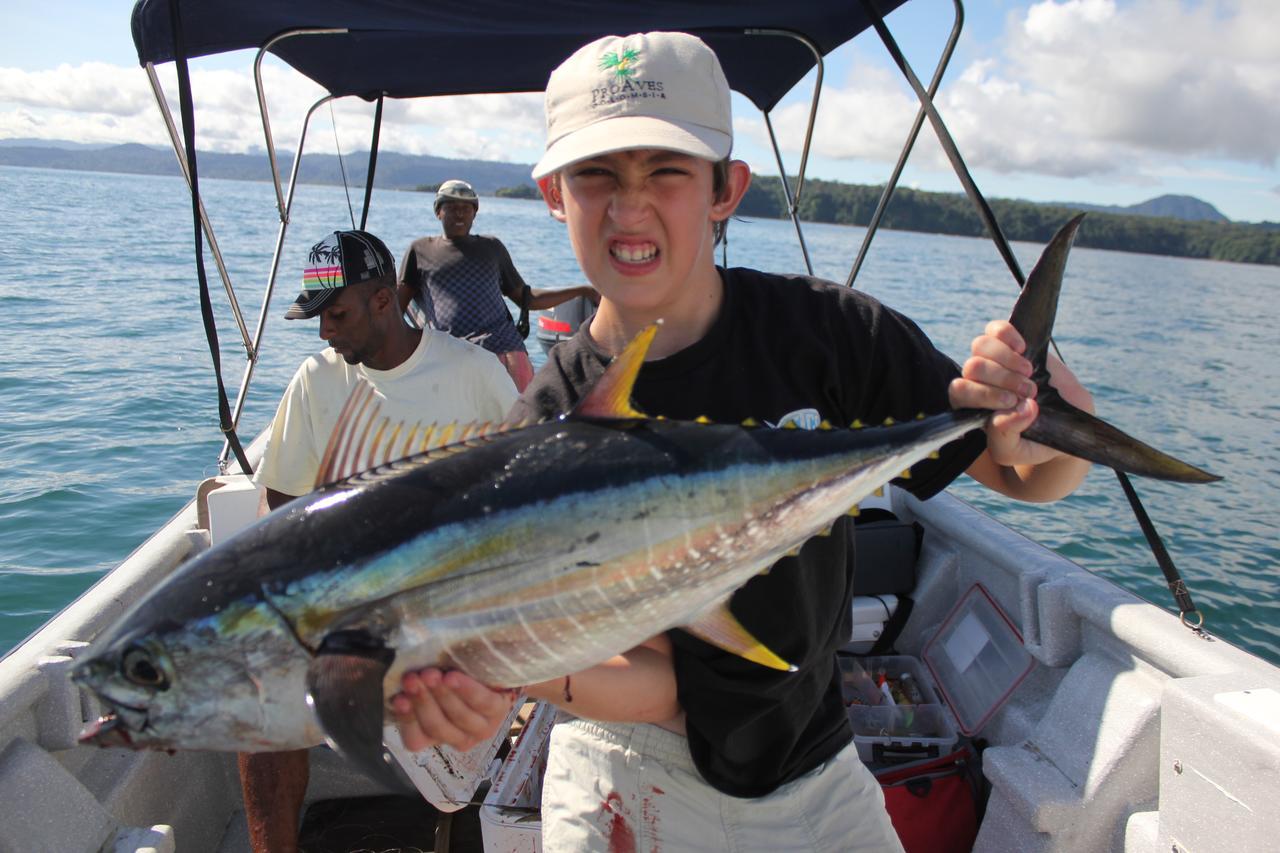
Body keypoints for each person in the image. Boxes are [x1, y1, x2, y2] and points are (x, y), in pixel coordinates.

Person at [391, 32, 1094, 852]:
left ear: (727, 188)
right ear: (553, 193)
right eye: (596, 176)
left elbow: (1023, 476)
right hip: (626, 771)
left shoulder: (831, 334)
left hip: (819, 765)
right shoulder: (542, 430)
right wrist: (492, 673)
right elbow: (652, 683)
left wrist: (1045, 421)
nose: (629, 206)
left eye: (667, 171)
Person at [240, 228, 517, 853]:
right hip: (356, 611)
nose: (324, 334)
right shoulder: (317, 379)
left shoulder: (475, 373)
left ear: (385, 301)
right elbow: (281, 506)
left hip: (456, 604)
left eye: (335, 315)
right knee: (260, 697)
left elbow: (522, 491)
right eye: (316, 318)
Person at [398, 178, 598, 392]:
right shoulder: (420, 250)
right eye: (451, 207)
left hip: (504, 349)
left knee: (519, 418)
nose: (459, 213)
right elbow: (396, 307)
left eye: (466, 208)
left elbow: (526, 298)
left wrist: (582, 290)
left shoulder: (492, 248)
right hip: (451, 353)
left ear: (474, 214)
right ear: (438, 212)